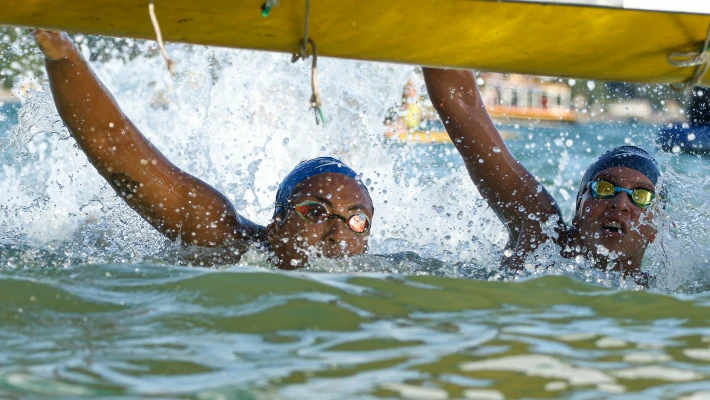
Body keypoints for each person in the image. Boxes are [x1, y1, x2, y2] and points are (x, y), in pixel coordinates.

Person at [33, 30, 373, 269]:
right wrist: (64, 55)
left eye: (358, 221)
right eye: (315, 211)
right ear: (276, 224)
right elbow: (114, 144)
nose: (337, 234)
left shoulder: (388, 272)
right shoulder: (226, 242)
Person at [423, 68, 661, 284]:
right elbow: (461, 105)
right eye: (605, 188)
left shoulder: (660, 292)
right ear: (578, 210)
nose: (620, 204)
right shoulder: (543, 235)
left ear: (654, 227)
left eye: (641, 196)